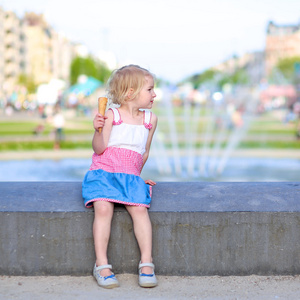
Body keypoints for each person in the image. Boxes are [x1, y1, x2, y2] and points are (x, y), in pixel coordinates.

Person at [82, 65, 158, 289]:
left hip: (129, 176)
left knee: (140, 209)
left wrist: (136, 177)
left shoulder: (150, 120)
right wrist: (97, 130)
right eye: (150, 90)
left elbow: (143, 153)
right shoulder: (111, 115)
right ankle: (102, 264)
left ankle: (146, 262)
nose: (154, 94)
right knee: (103, 208)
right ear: (130, 93)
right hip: (104, 173)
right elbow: (99, 149)